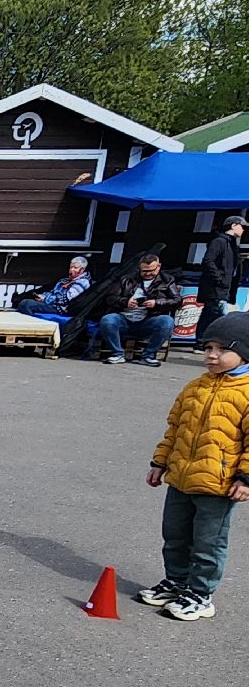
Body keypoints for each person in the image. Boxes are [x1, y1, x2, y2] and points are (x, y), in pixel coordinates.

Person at [137, 314, 249, 621]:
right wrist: (160, 462)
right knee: (175, 535)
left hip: (218, 485)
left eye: (222, 349)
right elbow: (175, 429)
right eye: (208, 348)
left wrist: (245, 479)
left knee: (208, 543)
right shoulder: (195, 387)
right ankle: (177, 581)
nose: (211, 355)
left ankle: (201, 594)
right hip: (181, 478)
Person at [86, 253, 181, 366]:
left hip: (148, 320)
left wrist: (156, 303)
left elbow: (177, 301)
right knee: (108, 319)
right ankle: (117, 354)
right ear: (139, 268)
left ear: (158, 266)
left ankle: (148, 355)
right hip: (124, 318)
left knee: (167, 321)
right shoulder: (126, 278)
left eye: (151, 270)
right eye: (144, 271)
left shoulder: (167, 280)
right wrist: (126, 301)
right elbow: (110, 298)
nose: (148, 274)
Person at [194, 215, 245, 347]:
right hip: (215, 288)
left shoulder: (231, 244)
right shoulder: (219, 241)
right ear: (233, 225)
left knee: (211, 314)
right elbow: (208, 261)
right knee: (215, 314)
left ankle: (202, 342)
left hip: (224, 288)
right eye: (241, 226)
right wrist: (220, 279)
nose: (243, 230)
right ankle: (203, 342)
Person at [16, 256, 91, 317]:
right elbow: (52, 292)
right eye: (70, 267)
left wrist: (46, 299)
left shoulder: (83, 282)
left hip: (62, 309)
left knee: (27, 304)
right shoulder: (63, 280)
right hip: (53, 303)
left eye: (75, 268)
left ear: (82, 270)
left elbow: (66, 300)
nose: (71, 270)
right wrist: (43, 296)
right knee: (24, 301)